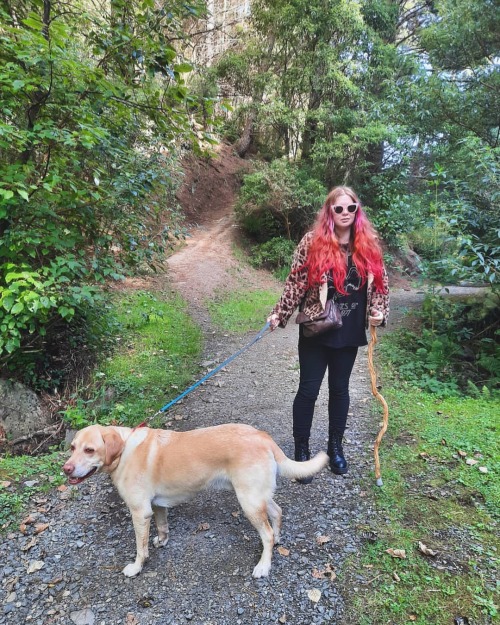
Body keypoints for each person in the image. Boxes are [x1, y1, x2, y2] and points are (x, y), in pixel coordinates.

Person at [267, 186, 389, 480]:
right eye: (339, 209)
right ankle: (301, 453)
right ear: (329, 212)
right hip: (317, 328)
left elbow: (381, 285)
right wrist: (279, 313)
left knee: (340, 389)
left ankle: (335, 447)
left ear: (357, 210)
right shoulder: (312, 242)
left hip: (349, 331)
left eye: (351, 208)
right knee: (308, 390)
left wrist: (378, 310)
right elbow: (295, 282)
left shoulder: (368, 244)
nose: (346, 213)